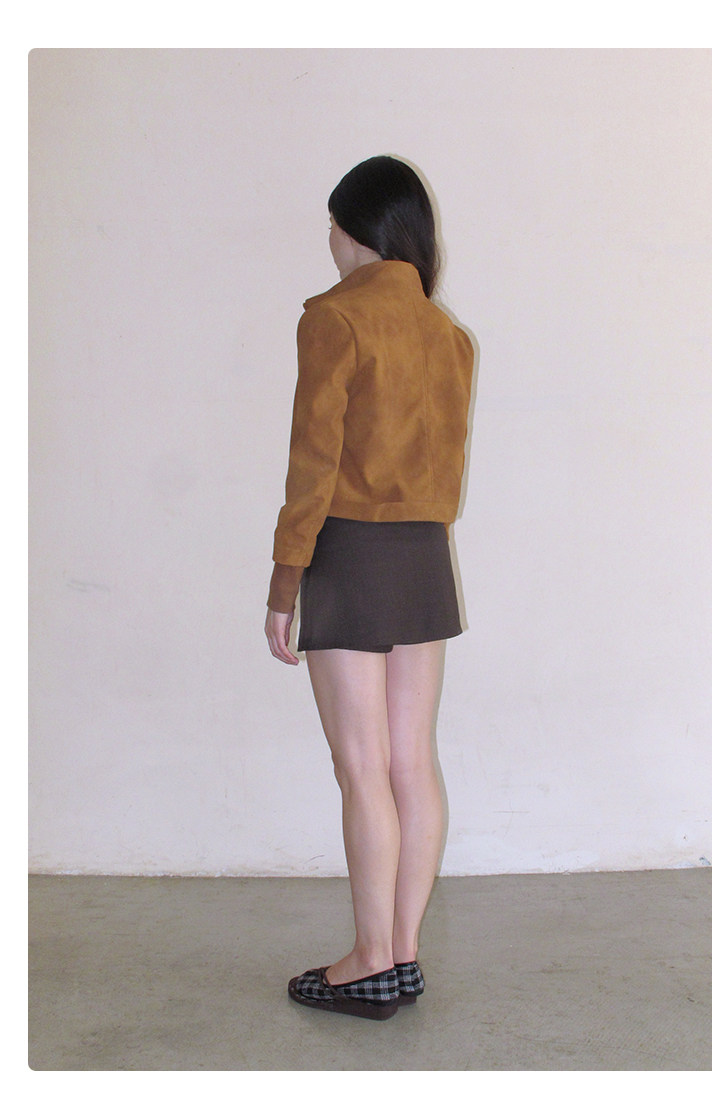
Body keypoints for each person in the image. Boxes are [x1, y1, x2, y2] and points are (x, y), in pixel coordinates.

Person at [264, 155, 474, 1021]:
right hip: (424, 555)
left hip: (351, 551)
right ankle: (403, 955)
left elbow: (313, 462)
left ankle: (367, 959)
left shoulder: (334, 318)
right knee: (410, 763)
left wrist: (286, 579)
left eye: (332, 224)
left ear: (356, 231)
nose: (329, 239)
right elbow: (447, 469)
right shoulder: (447, 334)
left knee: (361, 768)